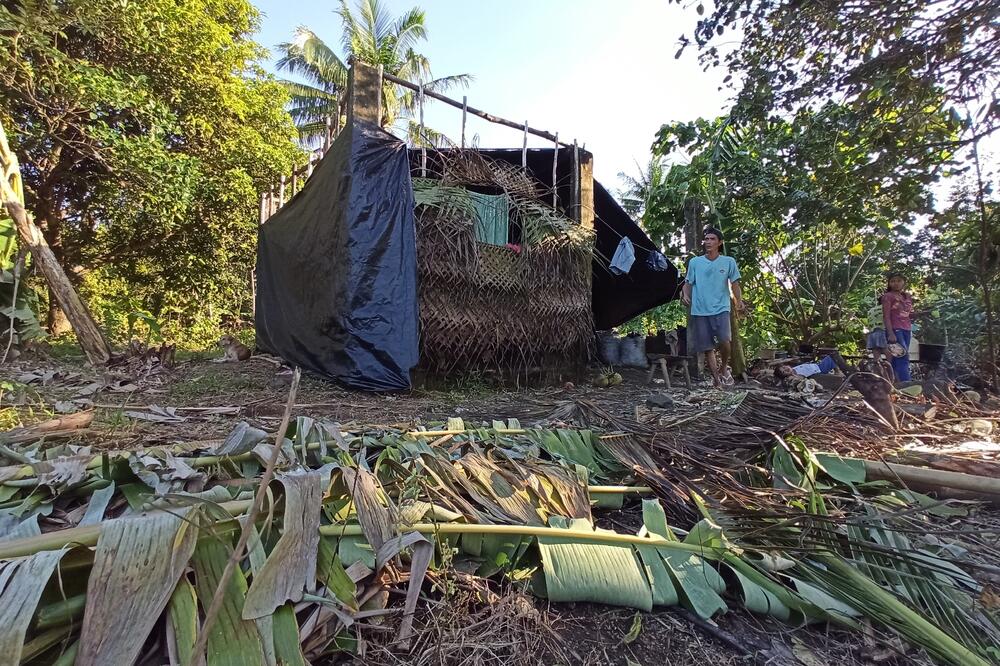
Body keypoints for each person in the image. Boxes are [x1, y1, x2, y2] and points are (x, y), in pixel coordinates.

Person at [681, 227, 744, 388]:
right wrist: (686, 295)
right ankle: (716, 378)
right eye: (706, 239)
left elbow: (734, 283)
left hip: (721, 308)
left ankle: (723, 368)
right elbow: (688, 283)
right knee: (707, 346)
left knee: (725, 340)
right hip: (700, 309)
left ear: (719, 242)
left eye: (712, 239)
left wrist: (739, 300)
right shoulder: (695, 262)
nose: (708, 242)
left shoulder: (729, 262)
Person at [882, 273, 914, 381]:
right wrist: (890, 333)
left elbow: (908, 314)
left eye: (899, 281)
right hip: (896, 329)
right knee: (902, 356)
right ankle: (906, 382)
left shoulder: (907, 296)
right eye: (893, 281)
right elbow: (886, 316)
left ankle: (895, 382)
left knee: (897, 358)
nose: (896, 283)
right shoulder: (888, 296)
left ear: (904, 282)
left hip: (907, 329)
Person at [866, 296, 889, 369]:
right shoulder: (885, 308)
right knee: (888, 353)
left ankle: (879, 375)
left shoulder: (871, 310)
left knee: (876, 358)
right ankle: (892, 371)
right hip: (881, 331)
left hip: (872, 333)